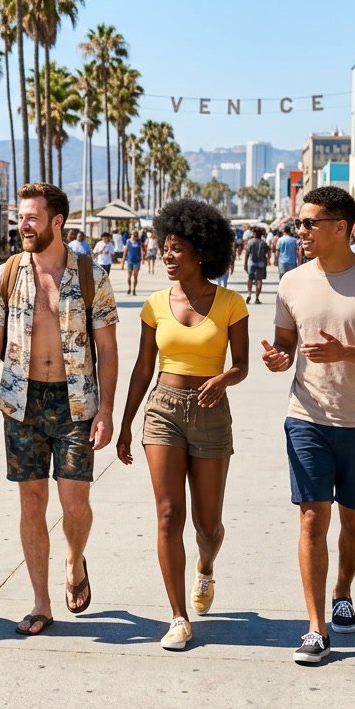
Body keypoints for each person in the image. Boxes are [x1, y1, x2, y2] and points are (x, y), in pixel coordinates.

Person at [260, 186, 355, 665]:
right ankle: (316, 627)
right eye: (299, 223)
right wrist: (277, 359)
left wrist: (347, 352)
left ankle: (342, 590)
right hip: (307, 417)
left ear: (340, 227)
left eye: (310, 223)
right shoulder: (291, 281)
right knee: (311, 517)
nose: (300, 230)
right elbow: (285, 345)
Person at [0, 182, 119, 636]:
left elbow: (108, 350)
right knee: (32, 500)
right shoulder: (7, 274)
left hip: (76, 403)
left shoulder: (92, 275)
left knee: (75, 503)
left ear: (57, 222)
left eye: (32, 217)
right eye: (22, 217)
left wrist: (107, 410)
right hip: (21, 402)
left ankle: (74, 559)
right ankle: (41, 602)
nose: (24, 224)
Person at [118, 199, 248, 651]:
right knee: (168, 514)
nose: (168, 256)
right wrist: (126, 422)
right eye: (165, 247)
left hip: (212, 412)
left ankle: (206, 567)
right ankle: (177, 616)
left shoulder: (231, 302)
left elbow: (243, 365)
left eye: (177, 249)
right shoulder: (155, 305)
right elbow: (141, 368)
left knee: (207, 523)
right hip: (164, 410)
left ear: (202, 252)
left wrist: (225, 377)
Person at [243, 227, 269, 304]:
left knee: (250, 279)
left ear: (254, 234)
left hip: (251, 263)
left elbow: (247, 254)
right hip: (261, 263)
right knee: (259, 280)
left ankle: (249, 294)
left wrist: (245, 264)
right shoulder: (263, 243)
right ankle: (257, 298)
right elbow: (267, 253)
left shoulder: (250, 242)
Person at [124, 231, 143, 296]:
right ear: (131, 235)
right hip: (130, 260)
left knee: (135, 276)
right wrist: (123, 260)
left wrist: (142, 258)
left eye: (136, 235)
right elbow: (125, 251)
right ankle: (129, 288)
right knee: (129, 276)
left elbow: (141, 250)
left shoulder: (139, 242)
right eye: (133, 235)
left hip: (137, 261)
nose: (134, 237)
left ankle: (134, 289)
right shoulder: (128, 241)